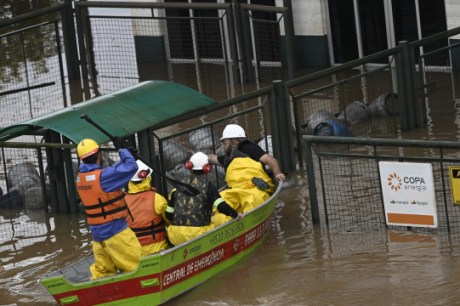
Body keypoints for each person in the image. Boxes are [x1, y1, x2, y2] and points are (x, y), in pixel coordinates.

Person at [75, 138, 141, 280]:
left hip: (98, 238)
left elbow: (110, 172)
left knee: (102, 274)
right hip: (117, 234)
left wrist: (127, 157)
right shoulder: (104, 178)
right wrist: (122, 150)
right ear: (99, 154)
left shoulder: (80, 178)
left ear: (81, 159)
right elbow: (132, 167)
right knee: (137, 268)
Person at [166, 152, 242, 246]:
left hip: (175, 236)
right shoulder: (208, 188)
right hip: (197, 236)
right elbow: (222, 207)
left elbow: (168, 215)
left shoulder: (177, 188)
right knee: (220, 219)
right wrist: (236, 214)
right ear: (207, 168)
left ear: (189, 167)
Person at [207, 124, 285, 213]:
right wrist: (198, 158)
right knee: (219, 203)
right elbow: (213, 158)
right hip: (236, 190)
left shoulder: (248, 148)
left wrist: (278, 173)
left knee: (253, 201)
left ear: (234, 142)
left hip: (255, 186)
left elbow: (270, 159)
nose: (222, 146)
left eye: (225, 142)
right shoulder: (227, 158)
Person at [124, 160, 170, 256]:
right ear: (147, 178)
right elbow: (169, 222)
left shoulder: (123, 201)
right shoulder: (157, 199)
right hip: (158, 248)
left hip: (134, 252)